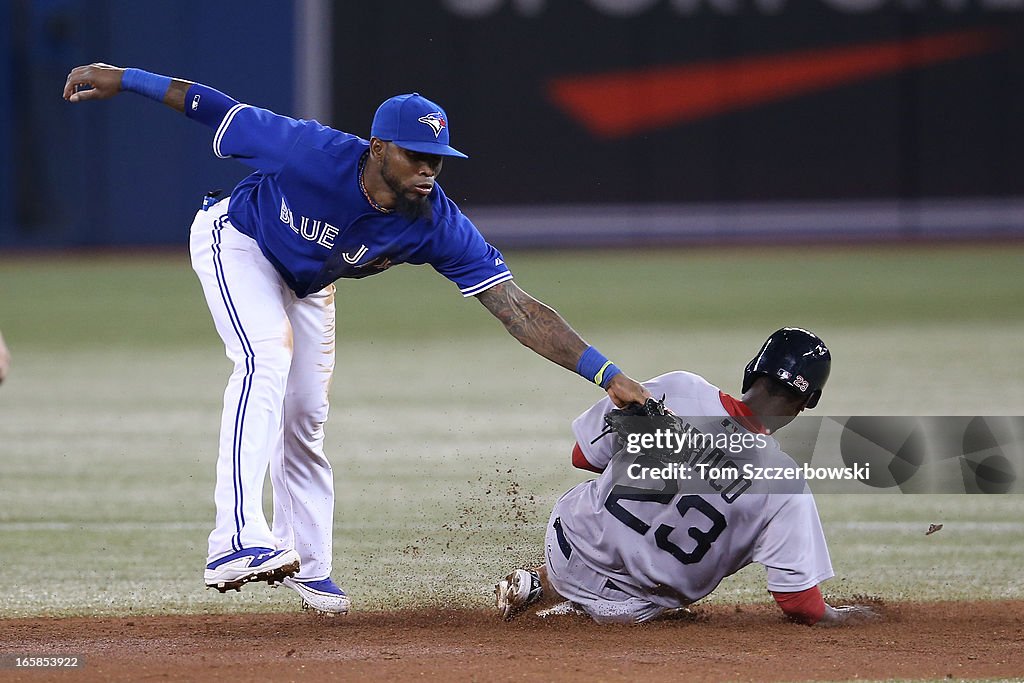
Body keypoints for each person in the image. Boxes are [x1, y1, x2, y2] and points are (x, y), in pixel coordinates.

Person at [63, 63, 650, 615]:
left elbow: (517, 309)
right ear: (378, 149)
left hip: (309, 282)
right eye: (416, 155)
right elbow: (210, 107)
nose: (428, 169)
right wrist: (124, 78)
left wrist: (605, 373)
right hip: (238, 241)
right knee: (264, 357)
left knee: (306, 414)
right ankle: (235, 538)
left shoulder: (435, 223)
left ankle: (308, 565)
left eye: (437, 159)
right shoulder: (307, 150)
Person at [496, 327, 877, 626]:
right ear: (806, 402)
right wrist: (844, 617)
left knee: (603, 509)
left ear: (753, 370)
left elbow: (583, 456)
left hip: (564, 546)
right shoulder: (784, 484)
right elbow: (800, 605)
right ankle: (585, 608)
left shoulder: (681, 388)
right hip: (630, 606)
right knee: (667, 574)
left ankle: (543, 584)